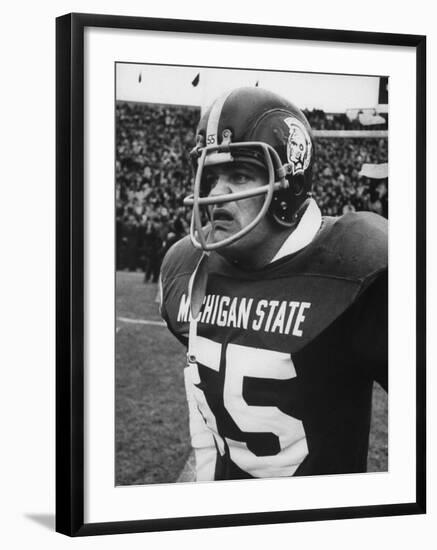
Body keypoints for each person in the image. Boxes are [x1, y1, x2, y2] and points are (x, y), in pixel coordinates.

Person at [159, 87, 388, 481]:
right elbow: (218, 420)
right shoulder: (187, 269)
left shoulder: (356, 265)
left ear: (290, 182)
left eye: (240, 174)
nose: (215, 194)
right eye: (211, 176)